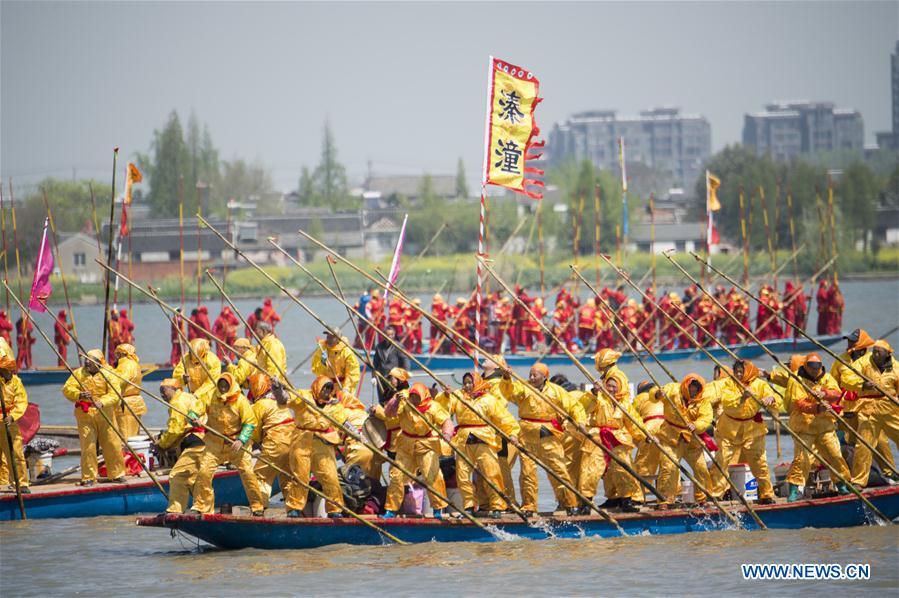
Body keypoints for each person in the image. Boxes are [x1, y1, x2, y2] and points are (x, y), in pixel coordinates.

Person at [500, 363, 585, 516]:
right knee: (527, 472)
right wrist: (507, 378)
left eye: (535, 375)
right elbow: (510, 393)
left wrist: (580, 421)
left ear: (544, 376)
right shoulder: (524, 387)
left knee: (559, 469)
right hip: (527, 434)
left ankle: (570, 503)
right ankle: (529, 506)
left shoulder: (556, 391)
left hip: (548, 434)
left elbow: (574, 406)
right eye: (530, 374)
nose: (531, 378)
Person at [190, 373, 264, 515]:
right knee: (204, 472)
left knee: (248, 473)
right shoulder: (211, 396)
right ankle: (201, 507)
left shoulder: (240, 400)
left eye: (226, 385)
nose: (223, 388)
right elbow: (194, 410)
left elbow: (250, 423)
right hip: (215, 442)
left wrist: (241, 439)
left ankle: (257, 507)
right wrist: (193, 418)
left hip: (235, 443)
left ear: (230, 385)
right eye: (221, 385)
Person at [448, 373, 520, 516]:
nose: (467, 386)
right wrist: (445, 396)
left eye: (470, 382)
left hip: (484, 438)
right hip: (463, 439)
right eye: (465, 383)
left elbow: (503, 418)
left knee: (492, 473)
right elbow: (443, 409)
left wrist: (512, 432)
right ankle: (468, 506)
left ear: (477, 382)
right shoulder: (458, 396)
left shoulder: (489, 400)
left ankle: (497, 506)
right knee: (462, 475)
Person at [709, 360, 779, 504]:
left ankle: (766, 493)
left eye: (742, 371)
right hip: (729, 428)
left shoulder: (760, 384)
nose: (739, 374)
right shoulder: (728, 383)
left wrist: (771, 399)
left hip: (752, 429)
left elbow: (775, 398)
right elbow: (728, 403)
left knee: (760, 463)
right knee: (721, 460)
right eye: (737, 371)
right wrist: (742, 397)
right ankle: (717, 493)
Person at [784, 354, 851, 501]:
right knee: (802, 459)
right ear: (806, 366)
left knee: (835, 455)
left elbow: (836, 393)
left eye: (817, 367)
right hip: (804, 425)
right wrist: (817, 408)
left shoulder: (826, 377)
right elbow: (800, 403)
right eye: (812, 368)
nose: (815, 371)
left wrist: (825, 393)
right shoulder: (797, 379)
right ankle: (794, 490)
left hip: (824, 426)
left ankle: (841, 484)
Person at [381, 382, 452, 518]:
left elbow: (446, 421)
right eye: (412, 396)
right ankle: (391, 509)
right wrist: (395, 400)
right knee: (397, 476)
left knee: (432, 475)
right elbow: (388, 413)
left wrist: (447, 433)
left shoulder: (433, 407)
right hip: (406, 445)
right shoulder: (404, 402)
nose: (413, 400)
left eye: (416, 397)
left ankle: (438, 509)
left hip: (426, 445)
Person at [832, 329, 896, 480]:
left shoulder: (871, 360)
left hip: (868, 408)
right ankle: (852, 477)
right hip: (847, 409)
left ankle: (890, 472)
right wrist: (834, 406)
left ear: (861, 344)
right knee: (849, 443)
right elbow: (834, 384)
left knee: (880, 442)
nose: (849, 344)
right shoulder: (840, 360)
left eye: (852, 341)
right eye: (848, 341)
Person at [284, 376, 347, 518]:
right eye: (324, 388)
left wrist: (355, 434)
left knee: (330, 476)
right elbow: (286, 399)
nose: (326, 392)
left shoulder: (334, 406)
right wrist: (278, 390)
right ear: (318, 387)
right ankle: (294, 507)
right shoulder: (303, 397)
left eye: (329, 390)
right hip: (301, 441)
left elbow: (344, 422)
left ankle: (335, 509)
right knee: (300, 476)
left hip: (323, 444)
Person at [61, 349, 126, 485]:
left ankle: (116, 474)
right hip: (85, 415)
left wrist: (102, 402)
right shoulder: (79, 373)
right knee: (88, 446)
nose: (87, 363)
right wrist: (79, 395)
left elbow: (115, 394)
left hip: (105, 413)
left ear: (98, 363)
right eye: (86, 361)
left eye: (90, 361)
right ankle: (89, 477)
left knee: (112, 444)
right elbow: (67, 389)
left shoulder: (108, 374)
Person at [577, 376, 641, 513]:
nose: (611, 389)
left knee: (624, 469)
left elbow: (634, 423)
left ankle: (626, 501)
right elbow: (582, 407)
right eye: (609, 386)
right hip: (597, 437)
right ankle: (586, 503)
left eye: (614, 386)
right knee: (591, 470)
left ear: (620, 387)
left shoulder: (625, 404)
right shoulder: (598, 398)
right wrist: (594, 391)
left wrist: (645, 436)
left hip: (617, 438)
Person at [655, 374, 713, 508]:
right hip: (671, 436)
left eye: (696, 389)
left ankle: (702, 497)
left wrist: (697, 425)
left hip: (691, 439)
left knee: (701, 468)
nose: (693, 391)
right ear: (686, 386)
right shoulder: (673, 389)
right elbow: (655, 394)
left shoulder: (703, 400)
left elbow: (706, 418)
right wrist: (658, 393)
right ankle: (665, 499)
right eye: (691, 388)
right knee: (668, 467)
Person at [154, 378, 207, 513]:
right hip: (205, 441)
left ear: (175, 389)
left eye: (164, 390)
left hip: (195, 441)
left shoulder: (177, 403)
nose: (162, 395)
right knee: (194, 479)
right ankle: (203, 509)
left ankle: (175, 511)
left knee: (177, 475)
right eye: (160, 391)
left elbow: (175, 429)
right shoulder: (188, 397)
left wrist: (162, 444)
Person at [248, 373, 295, 510]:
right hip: (292, 441)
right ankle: (294, 509)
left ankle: (259, 508)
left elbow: (254, 432)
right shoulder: (279, 400)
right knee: (287, 478)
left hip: (275, 442)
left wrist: (254, 444)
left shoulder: (259, 405)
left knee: (260, 476)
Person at [0, 356, 29, 493]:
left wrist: (13, 416)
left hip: (9, 421)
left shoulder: (16, 382)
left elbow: (22, 401)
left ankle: (21, 483)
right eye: (8, 370)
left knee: (16, 453)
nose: (11, 372)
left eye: (12, 370)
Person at [171, 338, 222, 405]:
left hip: (210, 397)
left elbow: (211, 383)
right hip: (192, 395)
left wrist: (197, 395)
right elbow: (176, 376)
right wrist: (183, 379)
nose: (191, 356)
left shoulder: (213, 361)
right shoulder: (185, 358)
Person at [632, 380, 664, 482]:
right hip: (667, 428)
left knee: (644, 464)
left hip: (650, 428)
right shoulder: (661, 397)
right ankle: (674, 492)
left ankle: (642, 493)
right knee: (668, 464)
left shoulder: (639, 398)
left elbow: (632, 420)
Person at [311, 331, 361, 395]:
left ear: (338, 339)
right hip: (327, 387)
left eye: (332, 337)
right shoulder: (322, 350)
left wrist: (346, 388)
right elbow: (316, 371)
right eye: (328, 337)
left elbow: (353, 372)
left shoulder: (346, 352)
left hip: (342, 386)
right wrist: (323, 363)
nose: (329, 340)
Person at [113, 343, 146, 438]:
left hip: (126, 404)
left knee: (126, 436)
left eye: (117, 354)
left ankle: (127, 453)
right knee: (134, 434)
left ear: (121, 354)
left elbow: (120, 380)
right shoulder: (135, 364)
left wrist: (108, 374)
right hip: (135, 402)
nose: (116, 356)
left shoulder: (126, 364)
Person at [372, 327, 409, 404]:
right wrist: (374, 376)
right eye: (387, 335)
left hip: (394, 379)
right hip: (381, 378)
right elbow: (375, 363)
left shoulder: (399, 346)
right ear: (383, 335)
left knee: (394, 401)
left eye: (392, 335)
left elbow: (405, 362)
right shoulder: (379, 347)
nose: (390, 337)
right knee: (382, 400)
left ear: (394, 335)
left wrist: (400, 378)